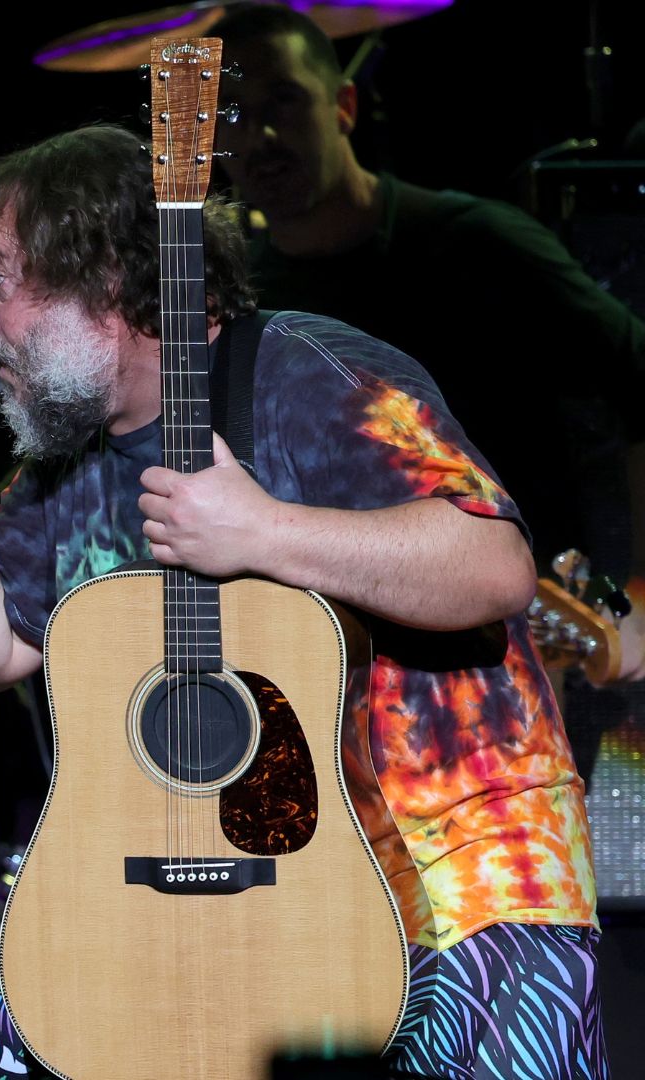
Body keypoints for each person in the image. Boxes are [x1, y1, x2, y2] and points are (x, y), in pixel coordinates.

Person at [0, 126, 604, 1078]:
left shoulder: (305, 374)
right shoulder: (65, 460)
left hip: (451, 879)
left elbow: (494, 565)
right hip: (224, 885)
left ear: (105, 279)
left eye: (3, 279)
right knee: (12, 1040)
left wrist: (265, 534)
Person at [208, 3, 645, 713]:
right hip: (331, 689)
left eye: (283, 100)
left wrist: (637, 591)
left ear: (343, 105)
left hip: (529, 661)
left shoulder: (477, 243)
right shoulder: (235, 300)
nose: (258, 136)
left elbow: (637, 386)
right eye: (228, 114)